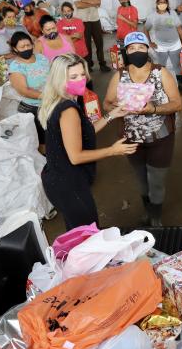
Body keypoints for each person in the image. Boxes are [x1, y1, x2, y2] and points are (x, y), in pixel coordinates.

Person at [38, 54, 137, 230]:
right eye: (73, 77)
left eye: (82, 74)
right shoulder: (68, 109)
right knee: (87, 233)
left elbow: (83, 132)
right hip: (68, 183)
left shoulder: (61, 100)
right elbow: (76, 157)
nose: (81, 80)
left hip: (57, 178)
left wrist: (111, 115)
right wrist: (112, 150)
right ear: (60, 79)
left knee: (77, 231)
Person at [103, 32, 182, 227]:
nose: (136, 51)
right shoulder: (120, 75)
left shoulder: (160, 72)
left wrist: (153, 109)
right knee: (141, 180)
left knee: (156, 181)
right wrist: (118, 109)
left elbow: (177, 103)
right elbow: (106, 103)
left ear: (147, 49)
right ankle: (147, 211)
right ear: (126, 51)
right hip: (131, 139)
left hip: (160, 138)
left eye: (141, 47)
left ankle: (155, 217)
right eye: (132, 48)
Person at [8, 31, 51, 149]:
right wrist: (49, 96)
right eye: (22, 47)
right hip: (33, 108)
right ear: (15, 49)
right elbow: (24, 90)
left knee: (55, 136)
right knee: (43, 141)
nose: (26, 48)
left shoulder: (41, 58)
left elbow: (52, 75)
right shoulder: (16, 67)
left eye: (28, 45)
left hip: (50, 103)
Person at [144, 0, 182, 93]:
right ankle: (162, 87)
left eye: (164, 2)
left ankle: (181, 86)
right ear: (156, 4)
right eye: (160, 2)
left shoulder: (172, 13)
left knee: (177, 66)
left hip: (175, 44)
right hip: (160, 46)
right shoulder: (152, 16)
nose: (162, 4)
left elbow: (179, 28)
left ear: (167, 3)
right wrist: (150, 42)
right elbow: (146, 29)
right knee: (161, 67)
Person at [68, 0, 109, 71]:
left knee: (99, 42)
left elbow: (98, 2)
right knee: (86, 44)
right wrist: (92, 2)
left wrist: (84, 1)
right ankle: (89, 64)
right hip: (82, 21)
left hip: (94, 19)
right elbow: (78, 5)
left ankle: (102, 64)